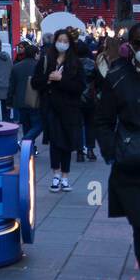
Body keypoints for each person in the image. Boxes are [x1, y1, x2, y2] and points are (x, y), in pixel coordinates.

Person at [94, 22, 140, 280]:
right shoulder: (116, 78)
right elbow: (102, 120)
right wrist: (112, 151)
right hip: (133, 166)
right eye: (139, 45)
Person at [32, 28, 85, 191]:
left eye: (65, 41)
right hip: (50, 108)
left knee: (67, 143)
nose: (62, 44)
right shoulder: (46, 60)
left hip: (69, 109)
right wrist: (48, 79)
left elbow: (80, 86)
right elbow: (35, 83)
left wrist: (61, 80)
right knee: (55, 142)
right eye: (60, 40)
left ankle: (65, 176)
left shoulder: (75, 63)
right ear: (55, 41)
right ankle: (55, 175)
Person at [8, 43, 42, 141]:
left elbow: (12, 85)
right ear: (36, 54)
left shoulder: (16, 67)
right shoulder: (39, 66)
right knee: (39, 124)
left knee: (26, 125)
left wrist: (9, 101)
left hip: (20, 101)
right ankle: (26, 140)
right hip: (36, 100)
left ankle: (28, 148)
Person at [75, 40, 98, 162]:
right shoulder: (93, 64)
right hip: (90, 97)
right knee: (90, 125)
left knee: (78, 125)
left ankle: (79, 152)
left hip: (76, 98)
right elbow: (99, 81)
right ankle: (90, 150)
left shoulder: (72, 64)